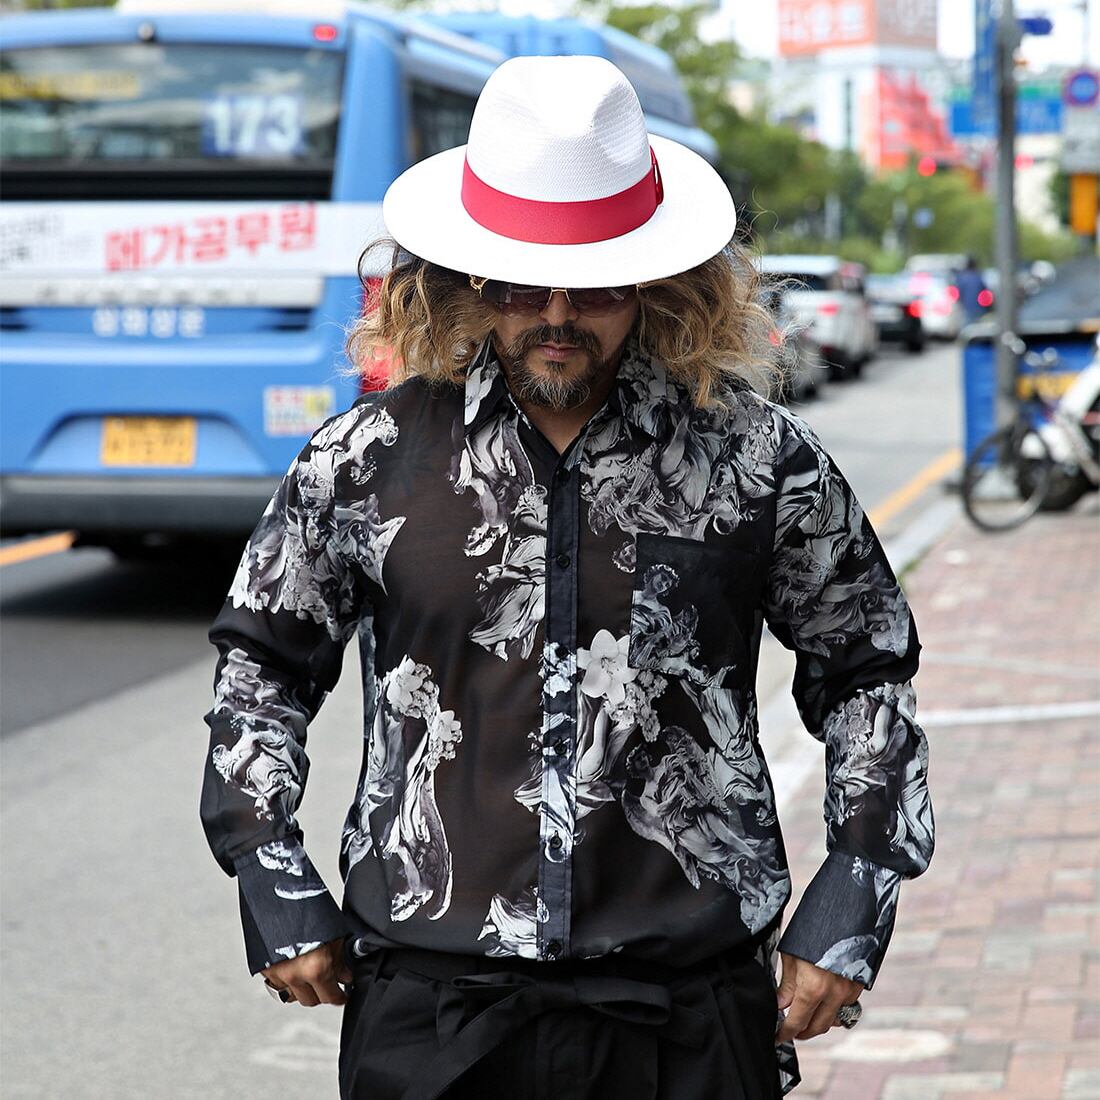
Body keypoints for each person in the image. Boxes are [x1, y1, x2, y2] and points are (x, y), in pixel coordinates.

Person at [200, 55, 935, 1100]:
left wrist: (855, 888)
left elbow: (865, 671)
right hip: (433, 1010)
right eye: (517, 283)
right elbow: (262, 670)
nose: (556, 312)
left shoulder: (760, 461)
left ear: (654, 283)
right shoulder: (360, 461)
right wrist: (269, 870)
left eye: (593, 285)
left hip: (686, 1014)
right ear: (465, 281)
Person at [955, 256, 989, 324]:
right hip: (980, 309)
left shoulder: (962, 278)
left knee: (967, 327)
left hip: (967, 309)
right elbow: (985, 293)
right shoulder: (978, 277)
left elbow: (958, 295)